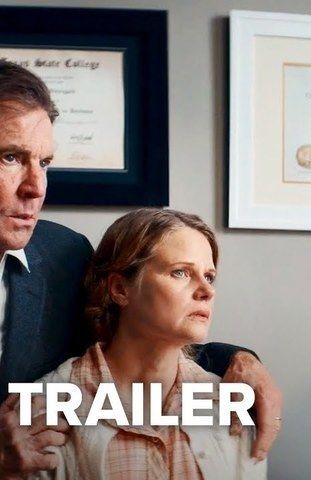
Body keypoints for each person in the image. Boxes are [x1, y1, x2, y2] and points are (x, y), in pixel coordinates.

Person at [0, 60, 281, 478]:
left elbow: (133, 339)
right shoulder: (52, 401)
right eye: (10, 157)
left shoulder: (62, 255)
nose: (36, 188)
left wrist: (240, 360)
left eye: (44, 163)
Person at [29, 208, 266, 479]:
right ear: (120, 289)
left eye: (209, 276)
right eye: (181, 272)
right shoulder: (43, 409)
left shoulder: (231, 404)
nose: (207, 291)